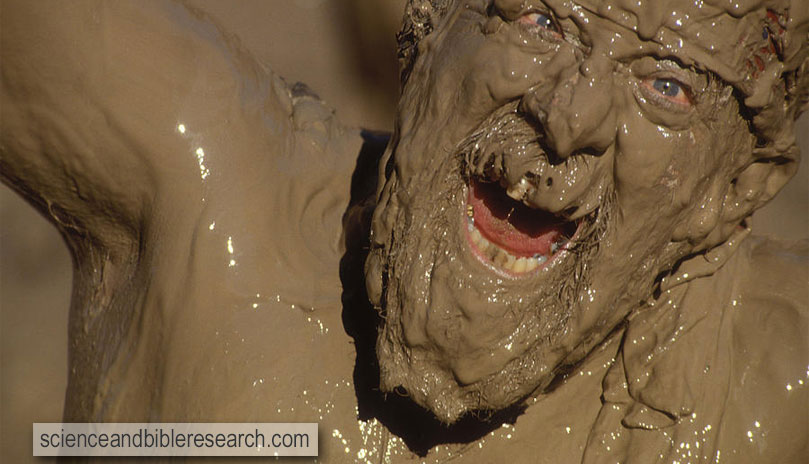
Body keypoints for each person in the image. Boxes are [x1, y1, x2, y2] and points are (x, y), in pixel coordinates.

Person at [1, 0, 806, 463]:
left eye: (666, 87)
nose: (571, 119)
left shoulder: (759, 382)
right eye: (540, 20)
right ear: (428, 21)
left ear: (734, 189)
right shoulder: (206, 189)